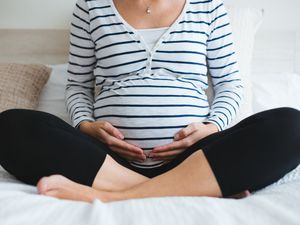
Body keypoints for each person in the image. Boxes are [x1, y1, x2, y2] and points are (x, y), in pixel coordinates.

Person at [0, 0, 300, 203]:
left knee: (291, 125)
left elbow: (230, 84)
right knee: (9, 126)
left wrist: (212, 126)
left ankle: (113, 196)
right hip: (106, 159)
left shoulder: (208, 6)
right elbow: (78, 85)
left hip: (196, 157)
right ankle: (193, 190)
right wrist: (86, 125)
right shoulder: (91, 7)